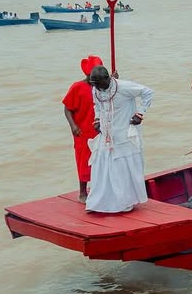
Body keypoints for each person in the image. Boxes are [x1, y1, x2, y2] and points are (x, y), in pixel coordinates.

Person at [85, 66, 153, 213]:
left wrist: (140, 113)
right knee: (101, 165)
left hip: (124, 134)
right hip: (106, 133)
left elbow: (147, 92)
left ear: (106, 79)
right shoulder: (96, 89)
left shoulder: (124, 87)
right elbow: (97, 105)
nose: (95, 87)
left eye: (97, 83)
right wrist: (96, 120)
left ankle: (123, 203)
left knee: (122, 168)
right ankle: (98, 202)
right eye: (93, 84)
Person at [62, 54, 102, 202]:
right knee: (83, 161)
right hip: (82, 131)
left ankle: (100, 188)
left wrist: (114, 79)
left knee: (102, 160)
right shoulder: (77, 87)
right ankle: (82, 192)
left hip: (100, 129)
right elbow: (67, 109)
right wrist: (73, 125)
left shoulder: (102, 86)